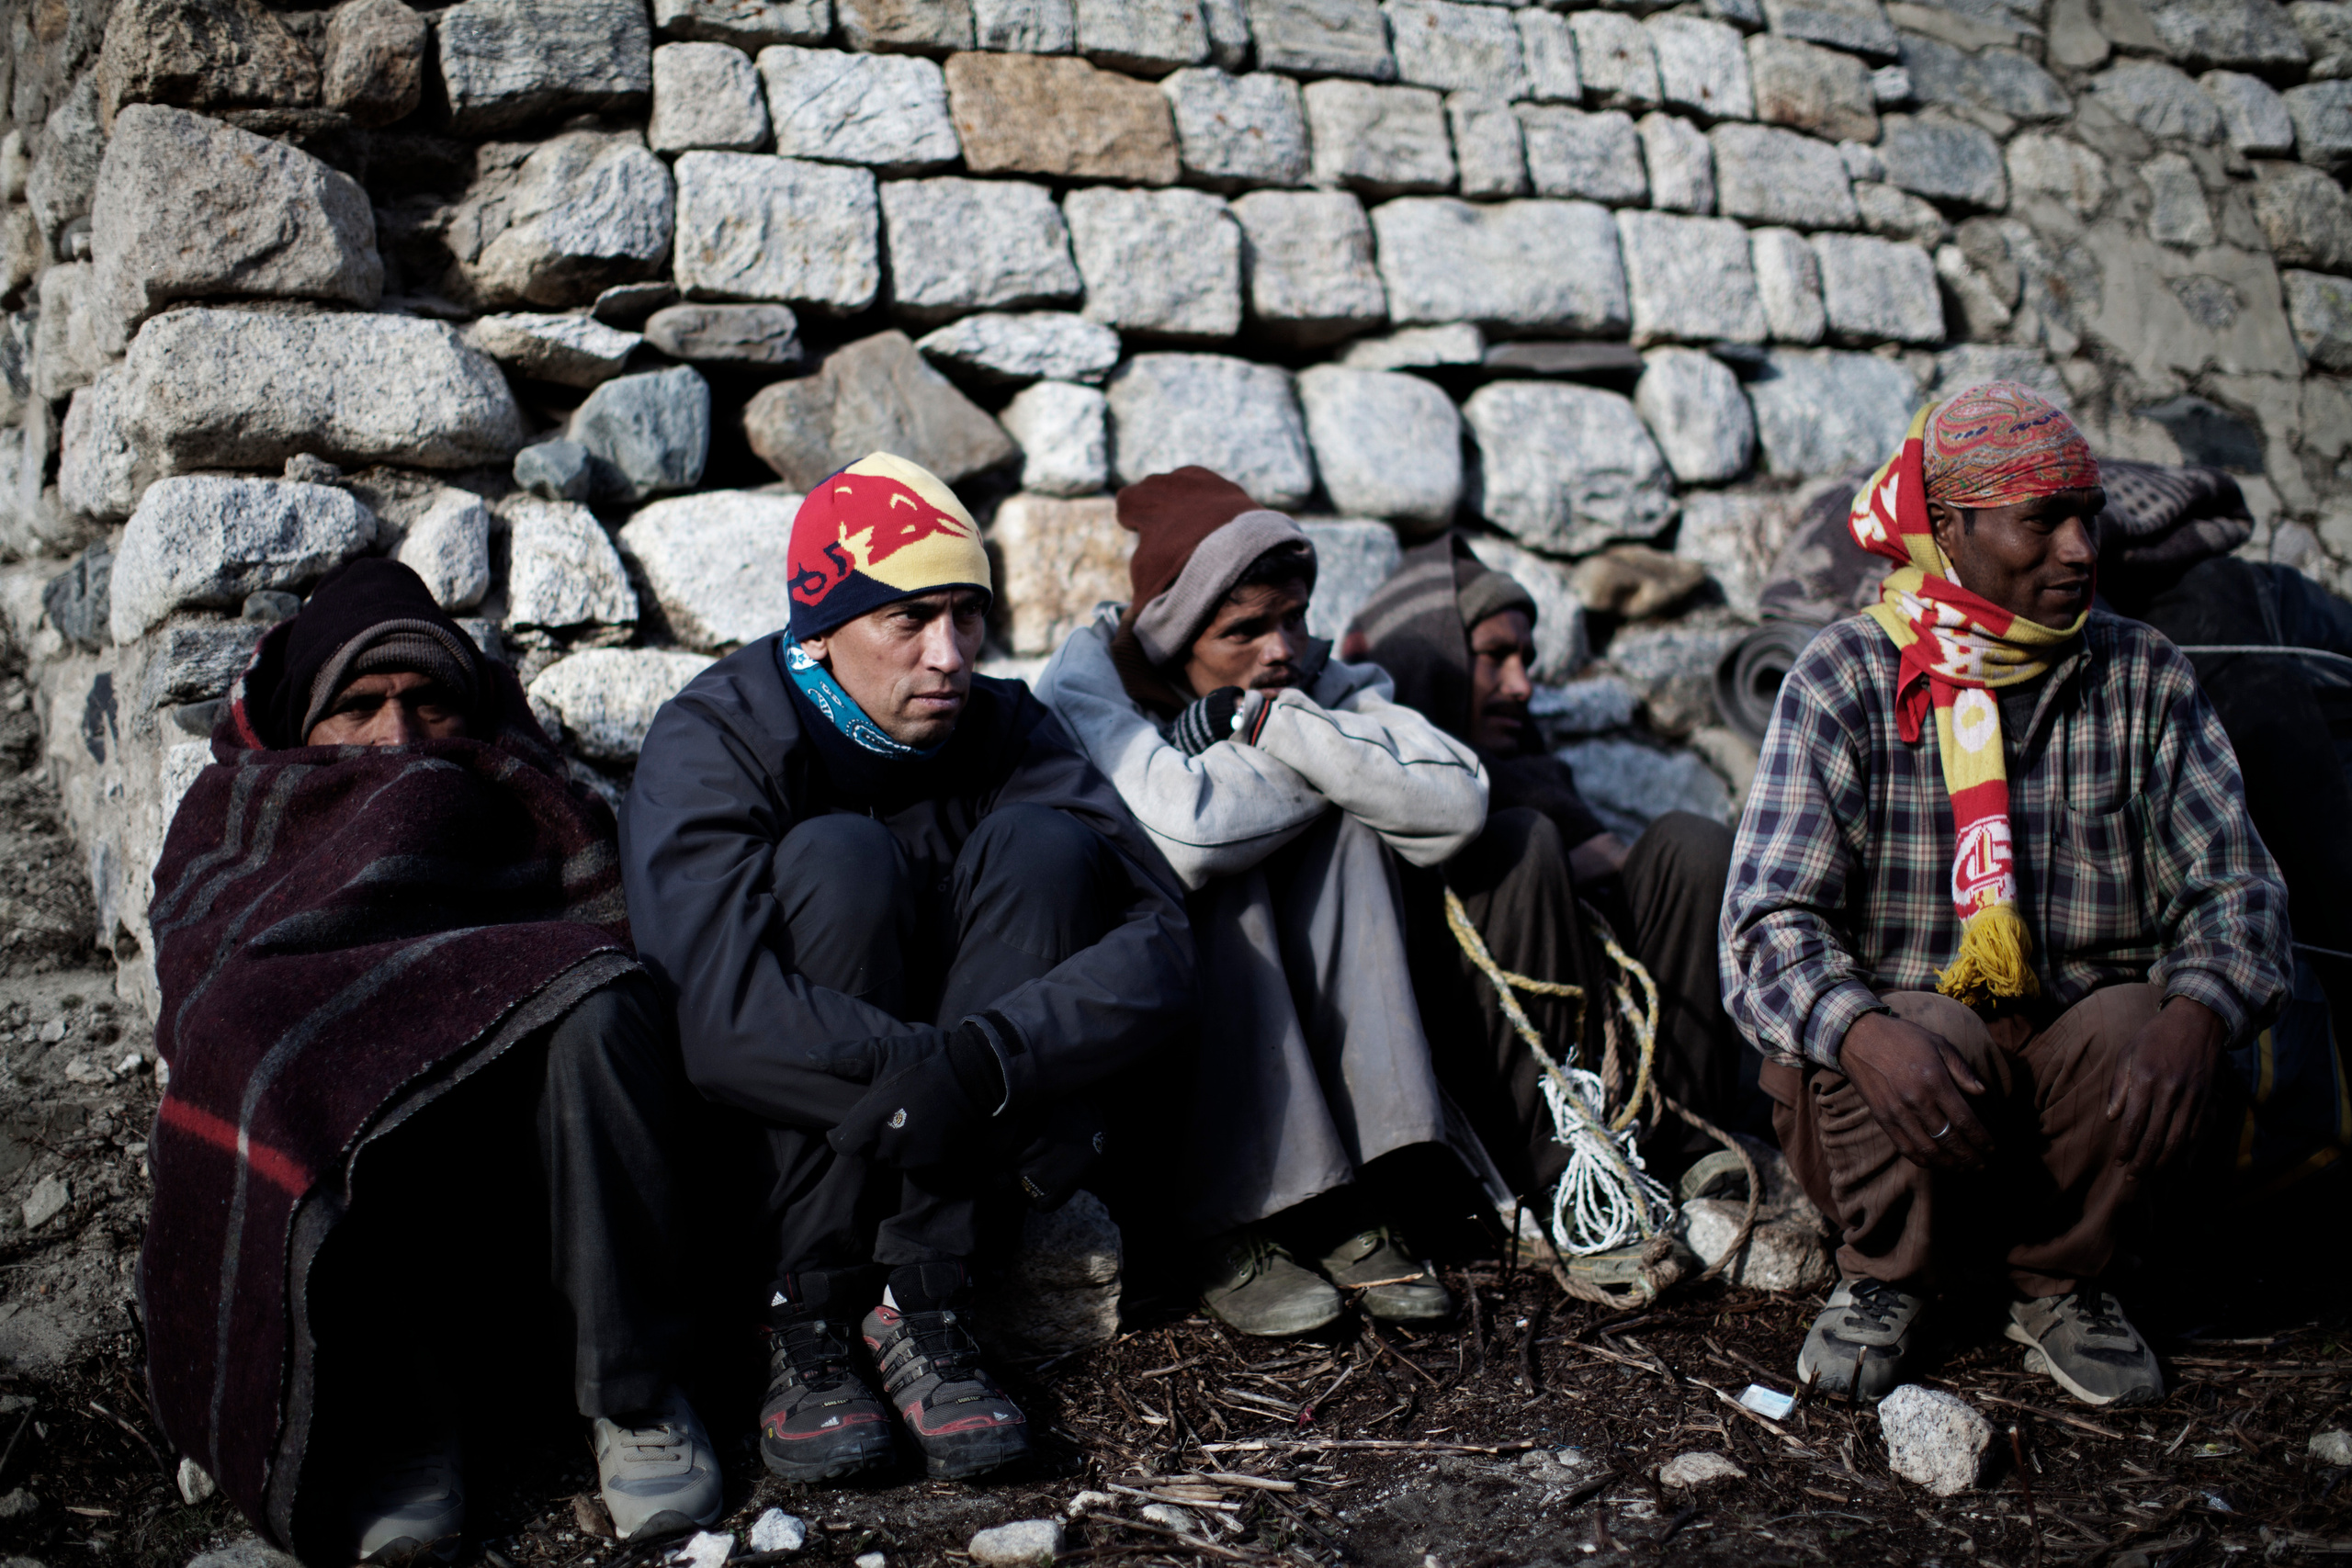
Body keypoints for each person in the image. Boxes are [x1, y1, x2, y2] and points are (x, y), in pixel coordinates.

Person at [619, 453, 1193, 1487]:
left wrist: (987, 1061)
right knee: (837, 859)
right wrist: (962, 1078)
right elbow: (719, 1019)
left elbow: (1158, 938)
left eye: (966, 616)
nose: (949, 656)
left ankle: (922, 1306)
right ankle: (809, 1313)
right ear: (821, 628)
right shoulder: (718, 738)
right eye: (908, 620)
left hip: (964, 1099)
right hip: (789, 1133)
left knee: (1050, 849)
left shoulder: (1006, 725)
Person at [1721, 383, 2292, 1407]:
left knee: (2138, 1021)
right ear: (1950, 530)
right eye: (2043, 520)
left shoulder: (2141, 678)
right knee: (1926, 1023)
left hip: (2071, 1107)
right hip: (1897, 1099)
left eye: (2088, 517)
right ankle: (1888, 1275)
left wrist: (2200, 1011)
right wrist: (1860, 1034)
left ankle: (2064, 1279)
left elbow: (2237, 892)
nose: (2080, 549)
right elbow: (1766, 927)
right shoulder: (1844, 675)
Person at [141, 558, 720, 1565]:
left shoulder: (535, 803)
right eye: (357, 709)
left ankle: (633, 1394)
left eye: (428, 705)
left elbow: (594, 935)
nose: (398, 740)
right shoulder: (233, 822)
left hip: (541, 1195)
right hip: (376, 1177)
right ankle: (400, 1422)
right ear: (299, 726)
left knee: (605, 1003)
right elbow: (212, 1009)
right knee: (321, 1047)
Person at [1033, 467, 1487, 1338]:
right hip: (1147, 1026)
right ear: (1172, 638)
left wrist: (1277, 725)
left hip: (1276, 967)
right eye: (1247, 629)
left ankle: (1348, 1197)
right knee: (1234, 867)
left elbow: (1457, 801)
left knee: (1353, 834)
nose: (1282, 649)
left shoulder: (1314, 680)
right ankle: (1225, 1215)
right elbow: (1186, 836)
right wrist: (1340, 768)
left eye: (1294, 618)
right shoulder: (1087, 684)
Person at [1346, 536, 1751, 1201]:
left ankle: (1687, 1138)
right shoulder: (1372, 779)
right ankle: (1556, 1161)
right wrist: (1547, 859)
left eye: (1526, 660)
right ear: (1435, 658)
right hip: (1479, 1091)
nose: (1522, 685)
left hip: (1604, 1055)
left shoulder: (1541, 780)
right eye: (1494, 657)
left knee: (1690, 843)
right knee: (1519, 840)